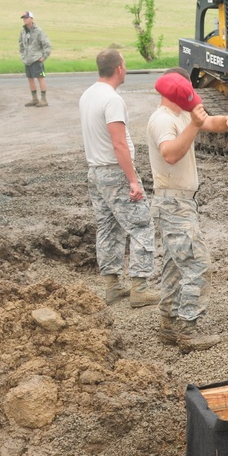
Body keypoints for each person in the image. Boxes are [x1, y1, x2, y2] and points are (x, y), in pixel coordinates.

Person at [146, 69, 228, 352]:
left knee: (174, 265)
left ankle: (168, 322)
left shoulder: (179, 115)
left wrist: (227, 121)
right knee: (197, 265)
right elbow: (170, 153)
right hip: (173, 203)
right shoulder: (162, 120)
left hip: (181, 201)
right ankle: (187, 330)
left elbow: (208, 123)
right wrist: (193, 125)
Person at [78, 48, 158, 308]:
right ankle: (140, 288)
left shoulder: (87, 95)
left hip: (95, 171)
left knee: (108, 227)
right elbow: (119, 144)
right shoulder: (112, 100)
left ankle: (112, 286)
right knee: (141, 225)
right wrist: (133, 180)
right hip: (115, 171)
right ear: (119, 68)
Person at [18, 11, 51, 107]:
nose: (25, 19)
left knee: (40, 78)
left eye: (26, 17)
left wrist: (44, 56)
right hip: (27, 59)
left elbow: (47, 44)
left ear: (32, 19)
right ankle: (34, 98)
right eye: (23, 18)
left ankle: (44, 99)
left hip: (36, 59)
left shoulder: (38, 31)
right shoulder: (23, 30)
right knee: (30, 78)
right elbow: (20, 43)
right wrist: (23, 55)